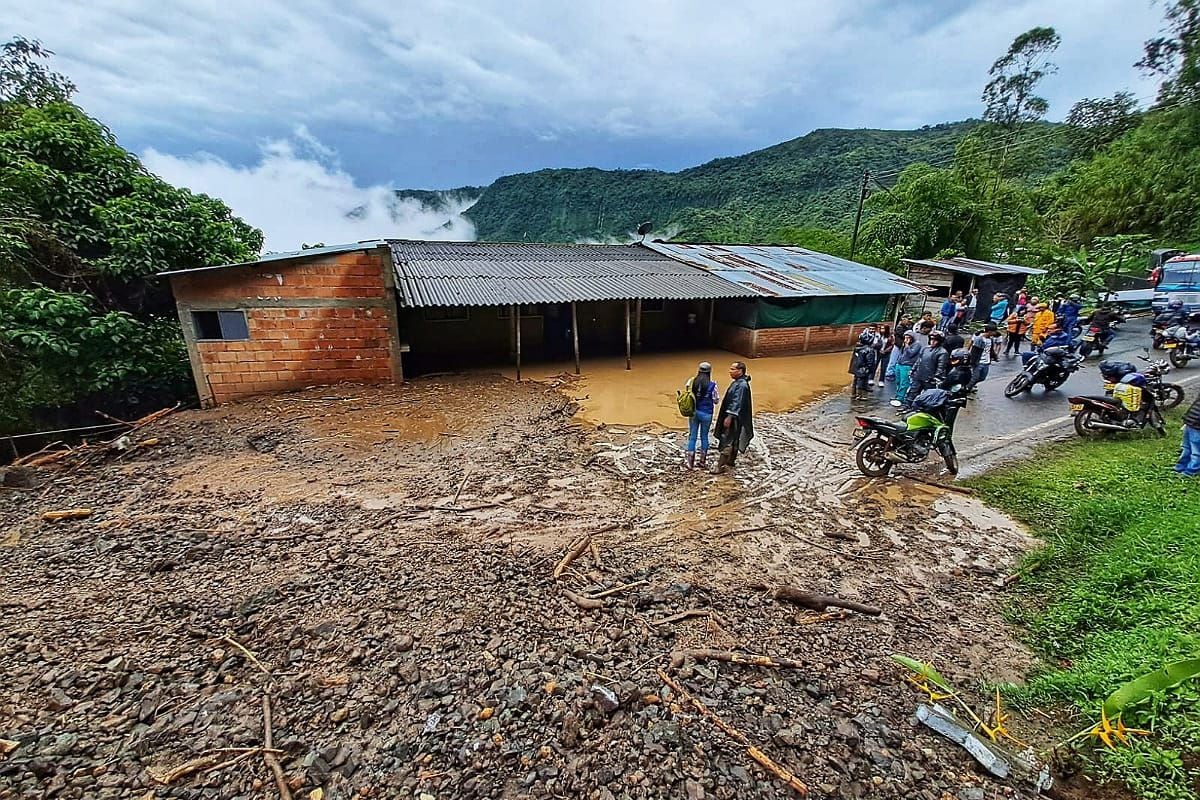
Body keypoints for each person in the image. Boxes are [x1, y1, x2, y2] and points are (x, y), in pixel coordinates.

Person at [714, 362, 753, 471]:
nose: (730, 371)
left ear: (740, 371)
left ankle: (720, 466)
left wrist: (730, 416)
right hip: (738, 418)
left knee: (728, 439)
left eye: (732, 369)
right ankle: (731, 461)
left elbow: (737, 402)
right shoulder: (738, 383)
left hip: (735, 418)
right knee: (734, 438)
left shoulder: (741, 385)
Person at [683, 362, 719, 470]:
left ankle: (690, 463)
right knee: (704, 437)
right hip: (707, 413)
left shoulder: (691, 381)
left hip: (694, 412)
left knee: (692, 436)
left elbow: (688, 393)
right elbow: (716, 400)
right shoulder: (713, 385)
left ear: (699, 370)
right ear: (709, 372)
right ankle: (702, 462)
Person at [907, 329, 948, 407]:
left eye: (935, 340)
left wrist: (935, 377)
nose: (932, 342)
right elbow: (919, 360)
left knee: (928, 395)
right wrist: (913, 370)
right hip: (919, 375)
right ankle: (908, 406)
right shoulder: (925, 348)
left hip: (930, 379)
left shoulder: (942, 352)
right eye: (931, 339)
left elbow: (941, 367)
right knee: (912, 392)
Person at [1175, 393, 1200, 477]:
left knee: (1196, 451)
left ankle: (1190, 471)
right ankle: (1180, 467)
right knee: (1186, 448)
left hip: (1196, 425)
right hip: (1191, 421)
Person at [848, 331, 879, 400]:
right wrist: (870, 369)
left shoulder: (857, 348)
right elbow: (870, 362)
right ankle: (860, 395)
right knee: (861, 382)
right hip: (863, 368)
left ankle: (853, 394)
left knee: (855, 380)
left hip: (856, 368)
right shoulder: (869, 350)